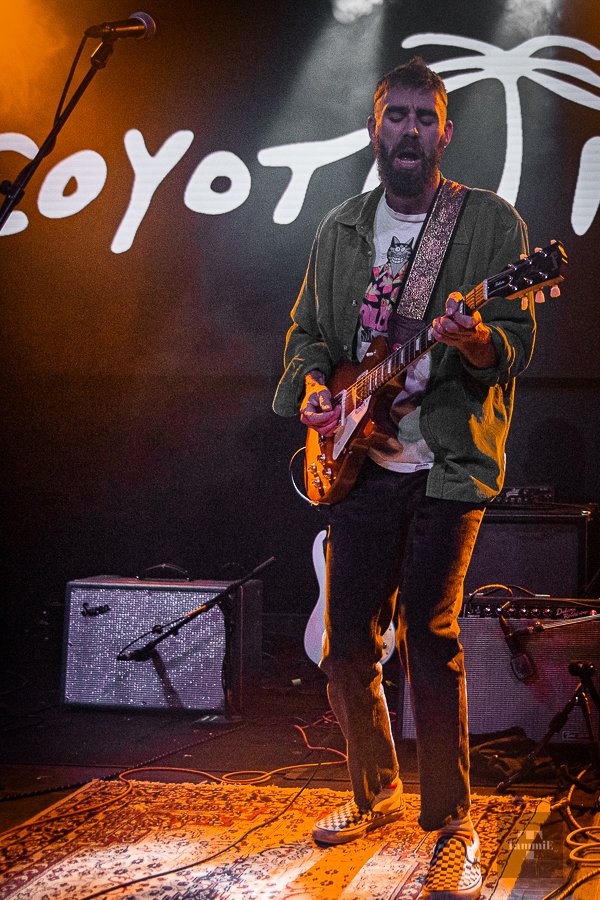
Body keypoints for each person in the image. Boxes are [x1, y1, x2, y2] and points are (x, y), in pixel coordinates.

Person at [273, 57, 536, 900]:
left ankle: (452, 827)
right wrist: (318, 392)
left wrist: (474, 338)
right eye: (398, 116)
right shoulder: (342, 228)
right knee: (347, 644)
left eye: (426, 118)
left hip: (447, 467)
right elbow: (309, 336)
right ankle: (374, 790)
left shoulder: (489, 225)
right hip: (360, 464)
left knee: (431, 637)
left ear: (445, 134)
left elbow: (512, 346)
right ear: (375, 129)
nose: (410, 131)